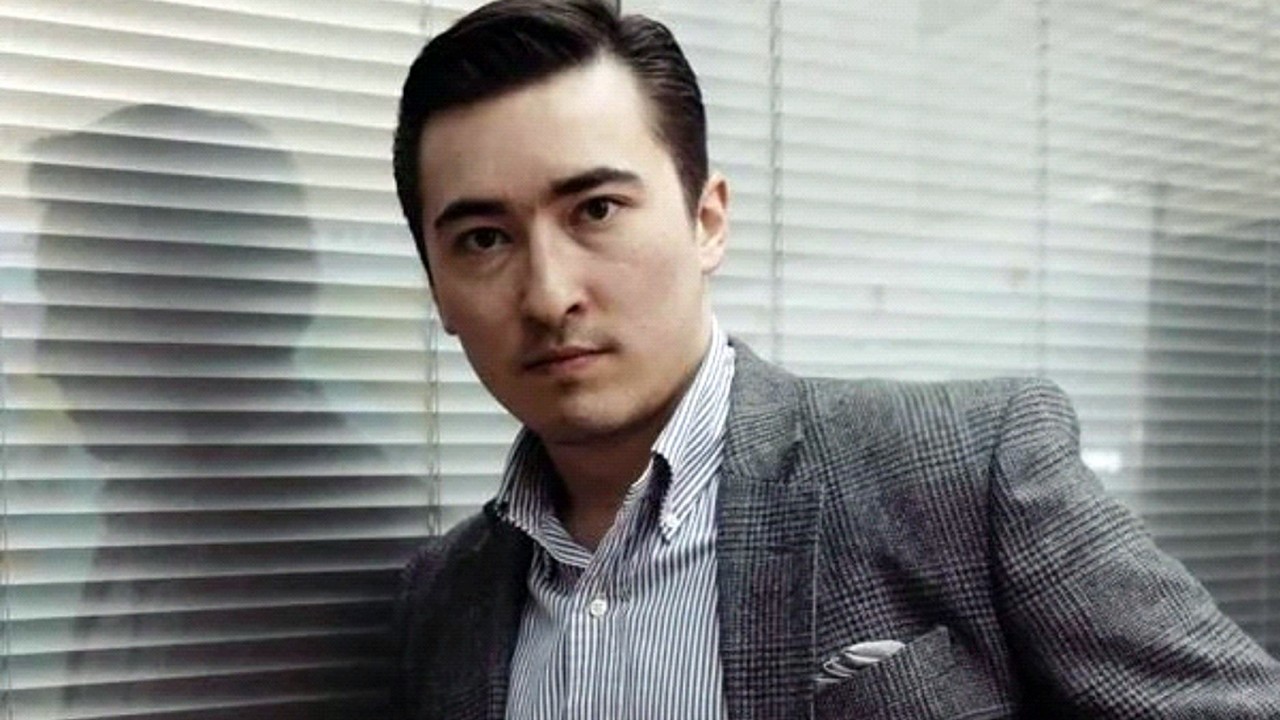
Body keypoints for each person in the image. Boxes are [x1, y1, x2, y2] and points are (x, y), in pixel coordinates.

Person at [389, 1, 1280, 718]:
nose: (549, 295)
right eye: (483, 238)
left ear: (707, 221)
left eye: (596, 211)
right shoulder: (445, 599)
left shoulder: (964, 472)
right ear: (438, 290)